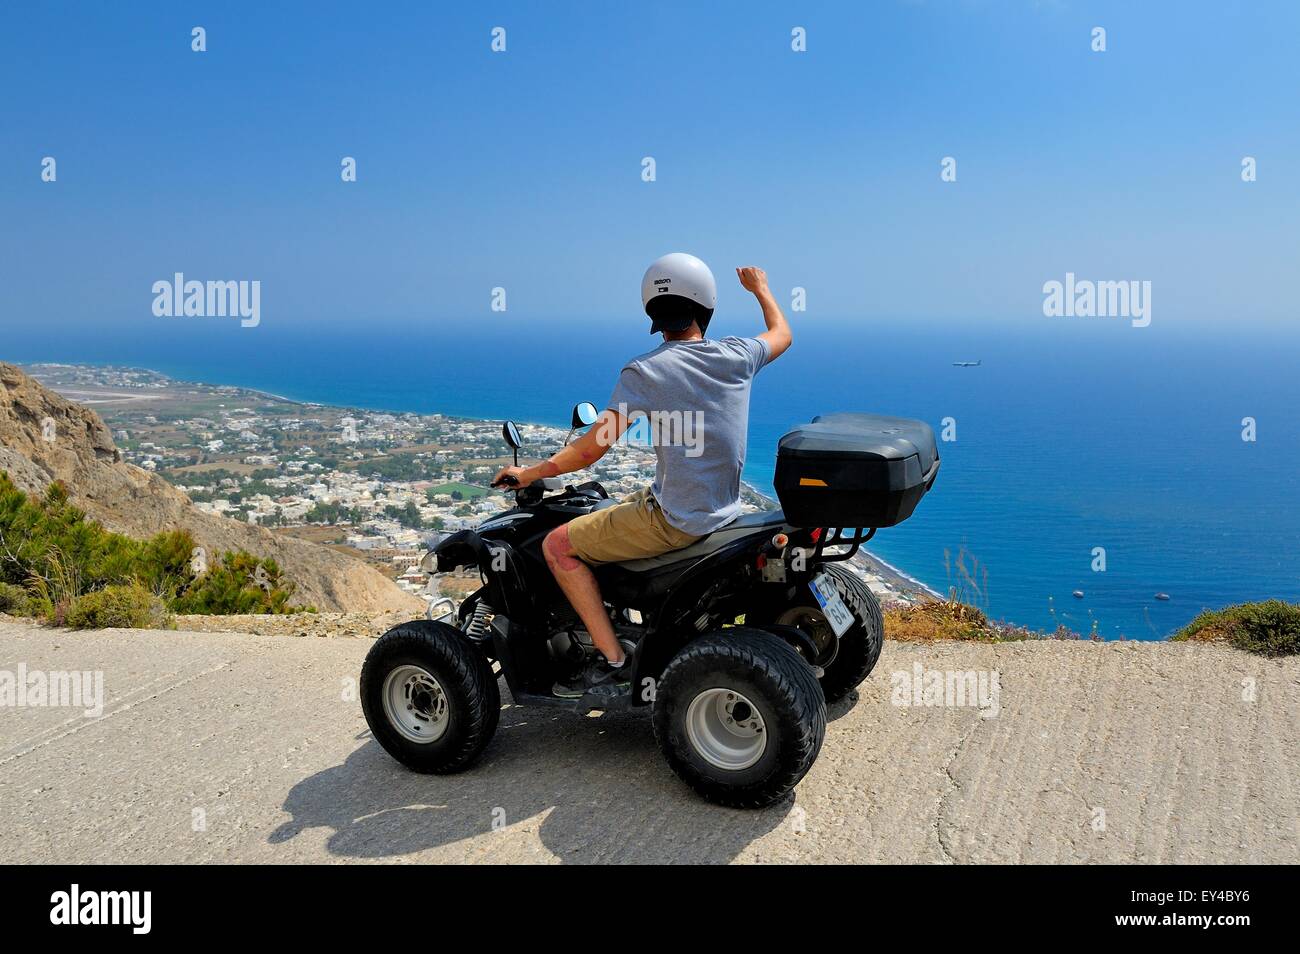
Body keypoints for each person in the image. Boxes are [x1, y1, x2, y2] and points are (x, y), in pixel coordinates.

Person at [492, 252, 792, 697]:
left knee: (557, 545)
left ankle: (612, 659)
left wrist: (529, 472)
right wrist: (761, 289)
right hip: (723, 509)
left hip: (677, 521)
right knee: (618, 505)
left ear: (652, 313)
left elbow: (590, 450)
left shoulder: (645, 371)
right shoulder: (737, 355)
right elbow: (782, 333)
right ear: (706, 308)